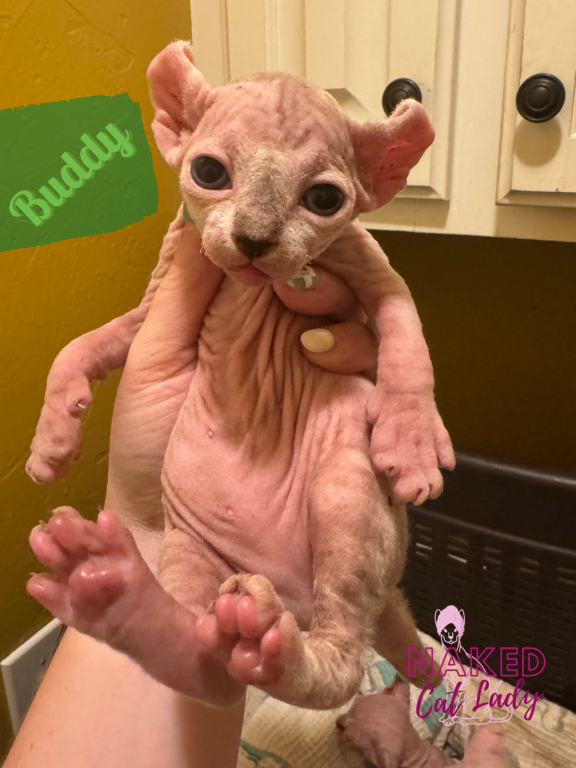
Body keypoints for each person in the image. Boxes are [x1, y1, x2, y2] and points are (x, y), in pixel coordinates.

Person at [4, 222, 381, 768]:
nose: (254, 222)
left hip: (304, 479)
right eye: (213, 179)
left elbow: (393, 311)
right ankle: (216, 651)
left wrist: (407, 408)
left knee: (345, 462)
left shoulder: (331, 239)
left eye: (319, 197)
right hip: (205, 517)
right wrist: (70, 373)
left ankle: (338, 661)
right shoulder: (194, 238)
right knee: (205, 600)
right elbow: (138, 324)